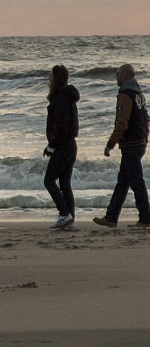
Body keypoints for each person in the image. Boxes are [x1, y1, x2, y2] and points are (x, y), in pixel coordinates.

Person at [93, 63, 150, 228]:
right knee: (123, 182)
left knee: (136, 182)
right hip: (139, 142)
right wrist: (145, 138)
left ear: (124, 76)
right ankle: (111, 217)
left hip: (131, 144)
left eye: (117, 74)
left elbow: (121, 122)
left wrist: (110, 144)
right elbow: (146, 118)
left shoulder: (125, 95)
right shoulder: (139, 94)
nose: (116, 77)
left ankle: (145, 218)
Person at [44, 64, 79, 229]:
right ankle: (69, 217)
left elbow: (60, 127)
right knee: (65, 182)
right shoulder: (68, 97)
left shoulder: (60, 99)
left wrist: (51, 146)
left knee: (49, 180)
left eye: (51, 76)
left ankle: (64, 214)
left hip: (63, 146)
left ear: (55, 79)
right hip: (71, 145)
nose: (49, 79)